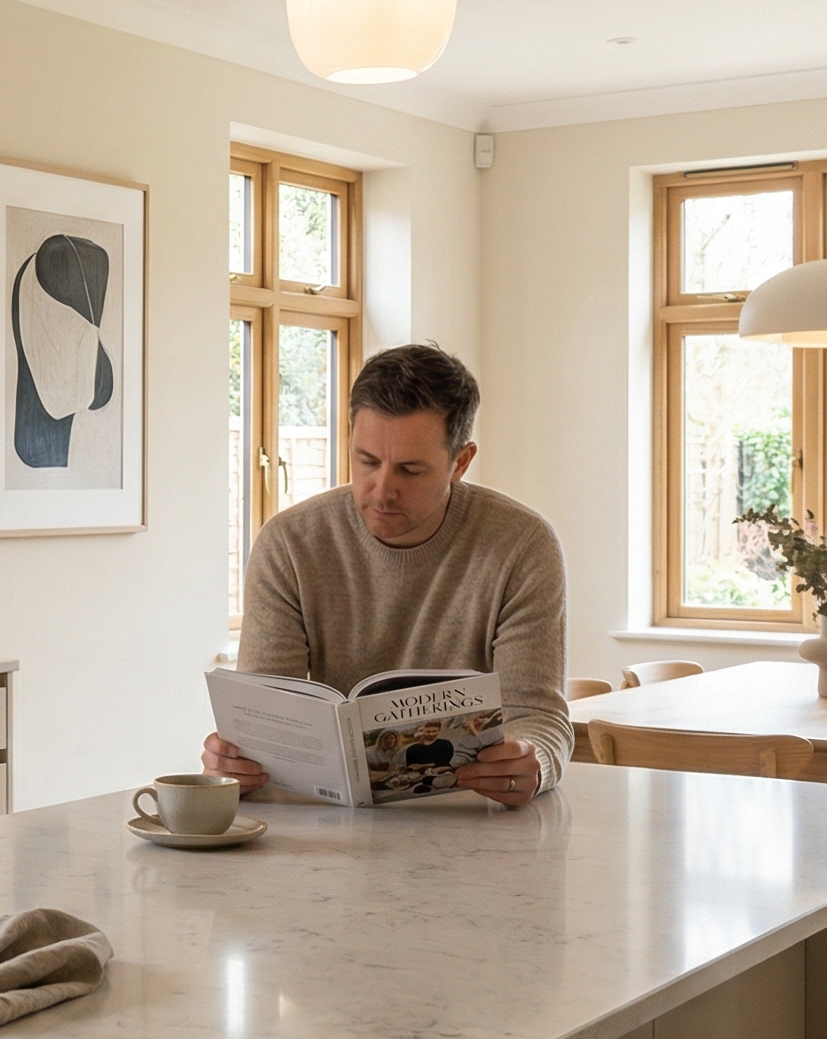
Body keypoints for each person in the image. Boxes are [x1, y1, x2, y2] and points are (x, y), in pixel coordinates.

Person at [205, 343, 570, 809]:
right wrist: (238, 764)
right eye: (367, 461)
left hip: (471, 814)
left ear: (460, 462)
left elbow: (539, 716)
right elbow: (267, 719)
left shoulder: (523, 544)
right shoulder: (290, 544)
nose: (382, 491)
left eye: (410, 470)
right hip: (329, 819)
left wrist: (533, 762)